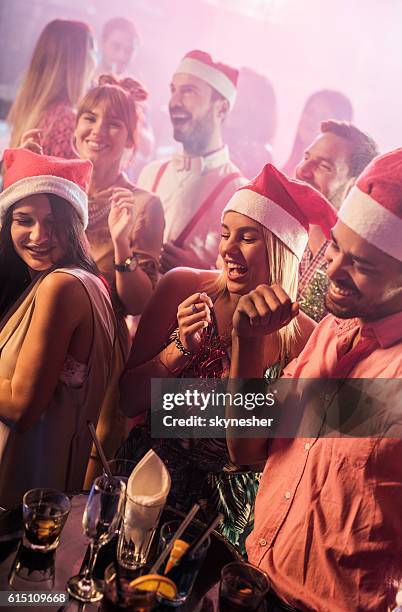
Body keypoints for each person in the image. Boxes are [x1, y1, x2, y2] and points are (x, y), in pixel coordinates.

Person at [118, 163, 337, 552]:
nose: (228, 249)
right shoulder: (182, 286)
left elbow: (258, 456)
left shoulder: (306, 339)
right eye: (224, 234)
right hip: (145, 480)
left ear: (280, 250)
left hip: (222, 519)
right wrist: (179, 348)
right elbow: (129, 400)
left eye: (247, 237)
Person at [228, 149, 402, 611]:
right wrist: (246, 345)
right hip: (253, 584)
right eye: (337, 247)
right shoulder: (333, 327)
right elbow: (249, 450)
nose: (333, 272)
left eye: (361, 265)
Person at [0, 148, 117, 508]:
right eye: (25, 220)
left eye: (53, 223)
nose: (38, 235)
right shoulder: (81, 281)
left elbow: (22, 407)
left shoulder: (61, 286)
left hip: (21, 498)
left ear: (75, 226)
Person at [73, 75, 165, 480]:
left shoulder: (143, 204)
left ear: (131, 139)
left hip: (98, 354)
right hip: (38, 339)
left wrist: (121, 244)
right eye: (89, 118)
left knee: (77, 477)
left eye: (113, 124)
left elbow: (141, 303)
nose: (97, 131)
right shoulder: (57, 187)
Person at [137, 49, 246, 272]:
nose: (174, 102)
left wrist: (202, 272)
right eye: (173, 90)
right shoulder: (150, 173)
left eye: (189, 92)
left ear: (222, 108)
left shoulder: (240, 193)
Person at [295, 120, 379, 322]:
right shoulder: (273, 227)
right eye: (306, 157)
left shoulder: (357, 263)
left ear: (354, 185)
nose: (302, 170)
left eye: (324, 166)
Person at [7, 19, 96, 158]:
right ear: (77, 61)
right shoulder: (66, 121)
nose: (95, 61)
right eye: (92, 52)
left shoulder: (29, 109)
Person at [282, 89, 353, 178]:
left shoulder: (325, 181)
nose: (312, 120)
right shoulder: (289, 167)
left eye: (324, 116)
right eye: (310, 112)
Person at [223, 67, 277, 179]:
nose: (235, 98)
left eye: (244, 94)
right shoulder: (212, 139)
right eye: (233, 89)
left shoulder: (259, 156)